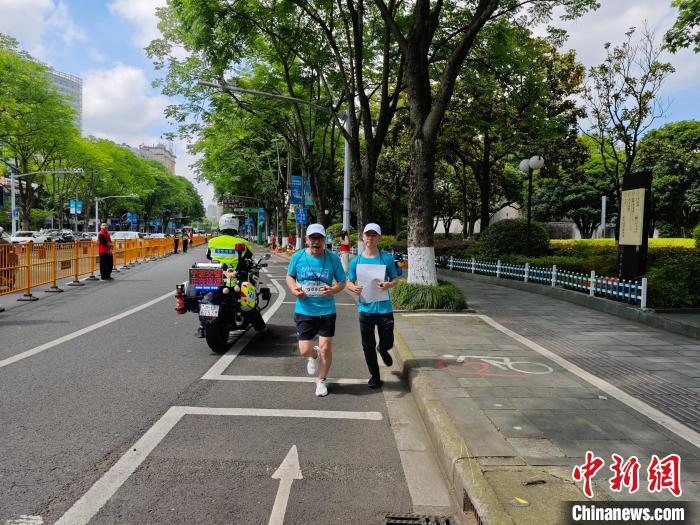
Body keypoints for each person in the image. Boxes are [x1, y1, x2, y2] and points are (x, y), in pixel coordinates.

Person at [286, 224, 346, 397]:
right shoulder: (298, 257)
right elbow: (290, 276)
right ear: (306, 240)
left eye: (319, 238)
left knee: (326, 348)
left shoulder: (333, 259)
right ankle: (313, 356)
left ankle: (321, 380)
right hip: (304, 310)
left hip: (326, 310)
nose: (316, 242)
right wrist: (293, 289)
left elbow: (342, 282)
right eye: (312, 238)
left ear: (324, 240)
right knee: (305, 350)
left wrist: (333, 290)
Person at [346, 223, 399, 388]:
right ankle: (375, 376)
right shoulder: (356, 261)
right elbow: (349, 281)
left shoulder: (387, 259)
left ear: (379, 238)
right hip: (365, 309)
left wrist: (389, 285)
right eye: (367, 235)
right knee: (367, 346)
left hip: (384, 309)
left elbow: (395, 279)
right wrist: (353, 287)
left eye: (374, 235)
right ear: (363, 237)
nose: (370, 238)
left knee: (388, 341)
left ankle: (383, 349)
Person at [195, 215, 254, 338]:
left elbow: (209, 256)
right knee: (247, 298)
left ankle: (201, 326)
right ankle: (254, 322)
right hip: (236, 277)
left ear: (221, 226)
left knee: (204, 296)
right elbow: (249, 255)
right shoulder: (242, 242)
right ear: (236, 226)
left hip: (216, 277)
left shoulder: (212, 241)